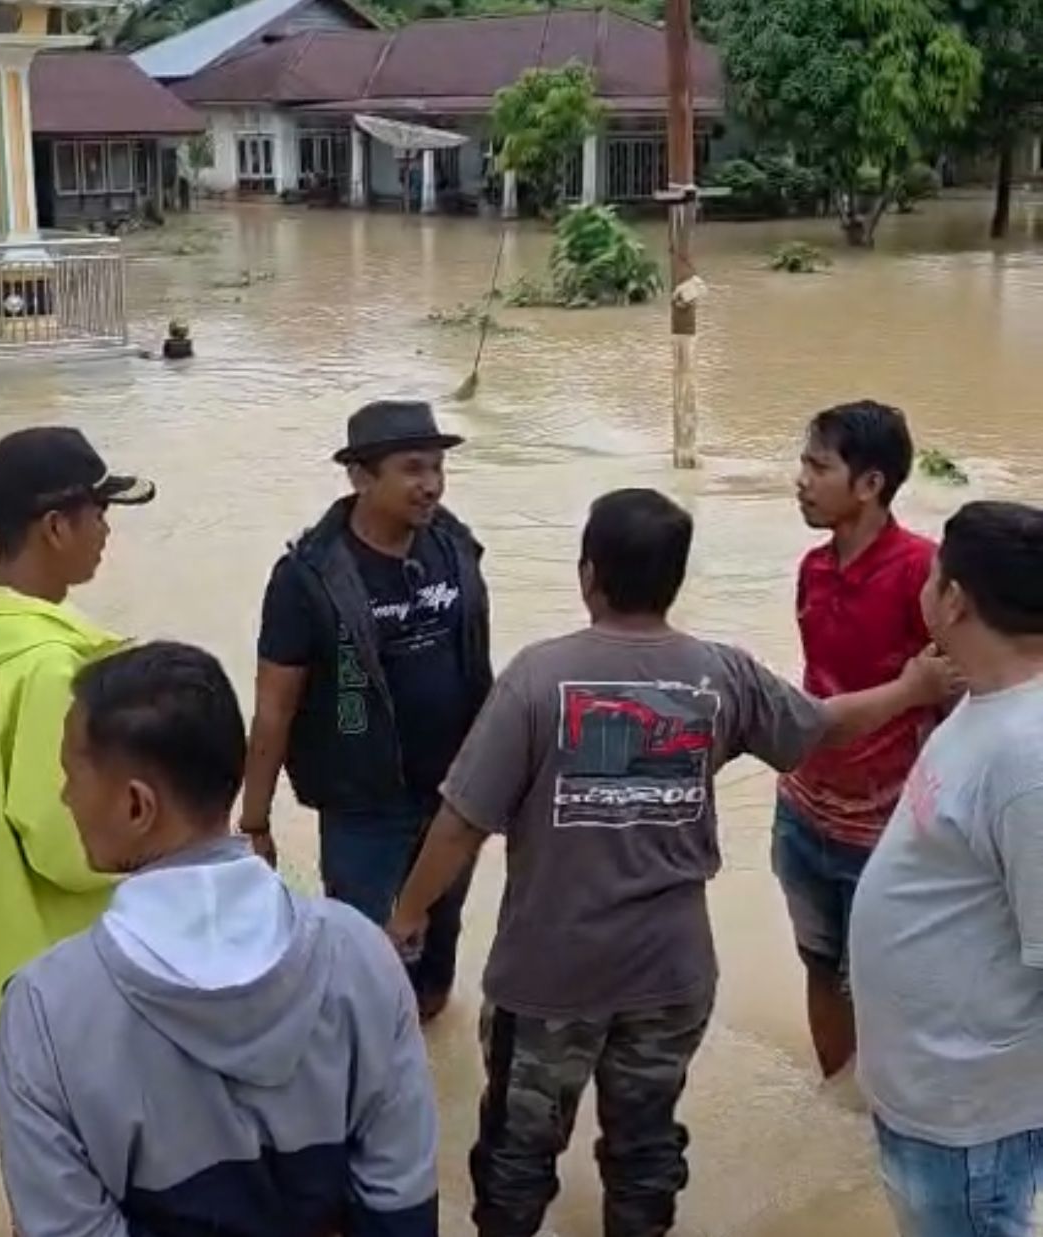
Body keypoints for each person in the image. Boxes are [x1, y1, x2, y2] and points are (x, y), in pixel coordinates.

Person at [387, 488, 954, 1237]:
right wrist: (912, 688)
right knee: (646, 1151)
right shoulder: (721, 674)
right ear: (676, 578)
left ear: (588, 573)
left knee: (517, 1156)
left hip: (550, 974)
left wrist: (408, 911)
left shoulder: (537, 676)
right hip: (671, 974)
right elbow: (818, 727)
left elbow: (461, 823)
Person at [0, 641, 439, 1237]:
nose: (66, 796)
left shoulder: (45, 1012)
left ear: (135, 805)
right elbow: (401, 1203)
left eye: (72, 773)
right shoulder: (360, 955)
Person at [0, 426, 154, 1089]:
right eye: (99, 514)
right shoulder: (50, 666)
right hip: (62, 980)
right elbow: (66, 846)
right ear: (55, 525)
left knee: (42, 1174)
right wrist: (159, 847)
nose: (106, 531)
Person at [242, 400, 492, 1021]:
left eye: (437, 468)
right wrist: (254, 820)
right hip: (362, 804)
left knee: (439, 945)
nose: (431, 484)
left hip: (453, 795)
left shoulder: (453, 545)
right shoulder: (309, 577)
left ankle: (431, 1072)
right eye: (412, 469)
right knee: (363, 959)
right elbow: (274, 707)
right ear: (360, 477)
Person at [852, 501, 1043, 1237]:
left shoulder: (1029, 757)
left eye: (932, 573)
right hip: (928, 1089)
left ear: (954, 598)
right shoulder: (988, 699)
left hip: (972, 1117)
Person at [774, 400, 937, 1079]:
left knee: (893, 990)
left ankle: (886, 1121)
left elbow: (964, 686)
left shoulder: (924, 573)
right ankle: (834, 1108)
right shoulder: (814, 568)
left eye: (818, 466)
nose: (801, 480)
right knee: (819, 966)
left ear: (870, 483)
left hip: (888, 827)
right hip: (804, 808)